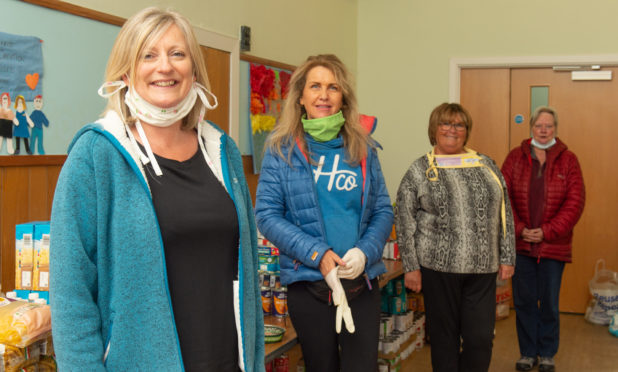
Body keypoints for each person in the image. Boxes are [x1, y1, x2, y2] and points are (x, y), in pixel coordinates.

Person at [50, 7, 264, 371]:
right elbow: (71, 295)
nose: (164, 66)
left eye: (177, 54)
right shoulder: (96, 155)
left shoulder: (222, 152)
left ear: (193, 71)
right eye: (148, 55)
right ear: (126, 72)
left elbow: (248, 278)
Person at [255, 54, 393, 372]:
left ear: (343, 97)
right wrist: (319, 253)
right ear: (301, 97)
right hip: (309, 287)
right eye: (315, 86)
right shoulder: (280, 150)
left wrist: (364, 252)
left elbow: (383, 208)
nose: (324, 95)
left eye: (333, 87)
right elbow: (267, 214)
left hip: (362, 286)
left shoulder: (364, 148)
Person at [395, 102, 516, 372]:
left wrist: (508, 256)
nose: (452, 130)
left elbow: (504, 211)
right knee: (444, 338)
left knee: (480, 339)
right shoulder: (420, 170)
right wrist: (411, 267)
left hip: (482, 268)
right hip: (438, 269)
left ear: (466, 130)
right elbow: (404, 219)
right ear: (434, 129)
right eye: (445, 124)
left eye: (459, 124)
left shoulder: (485, 165)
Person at [501, 106, 585, 372]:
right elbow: (502, 198)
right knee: (524, 301)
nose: (544, 130)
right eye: (539, 126)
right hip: (521, 244)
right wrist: (520, 228)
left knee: (549, 301)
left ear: (556, 129)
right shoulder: (515, 157)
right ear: (532, 128)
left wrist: (547, 231)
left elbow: (575, 201)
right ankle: (527, 353)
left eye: (549, 126)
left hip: (553, 245)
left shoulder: (568, 159)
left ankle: (547, 352)